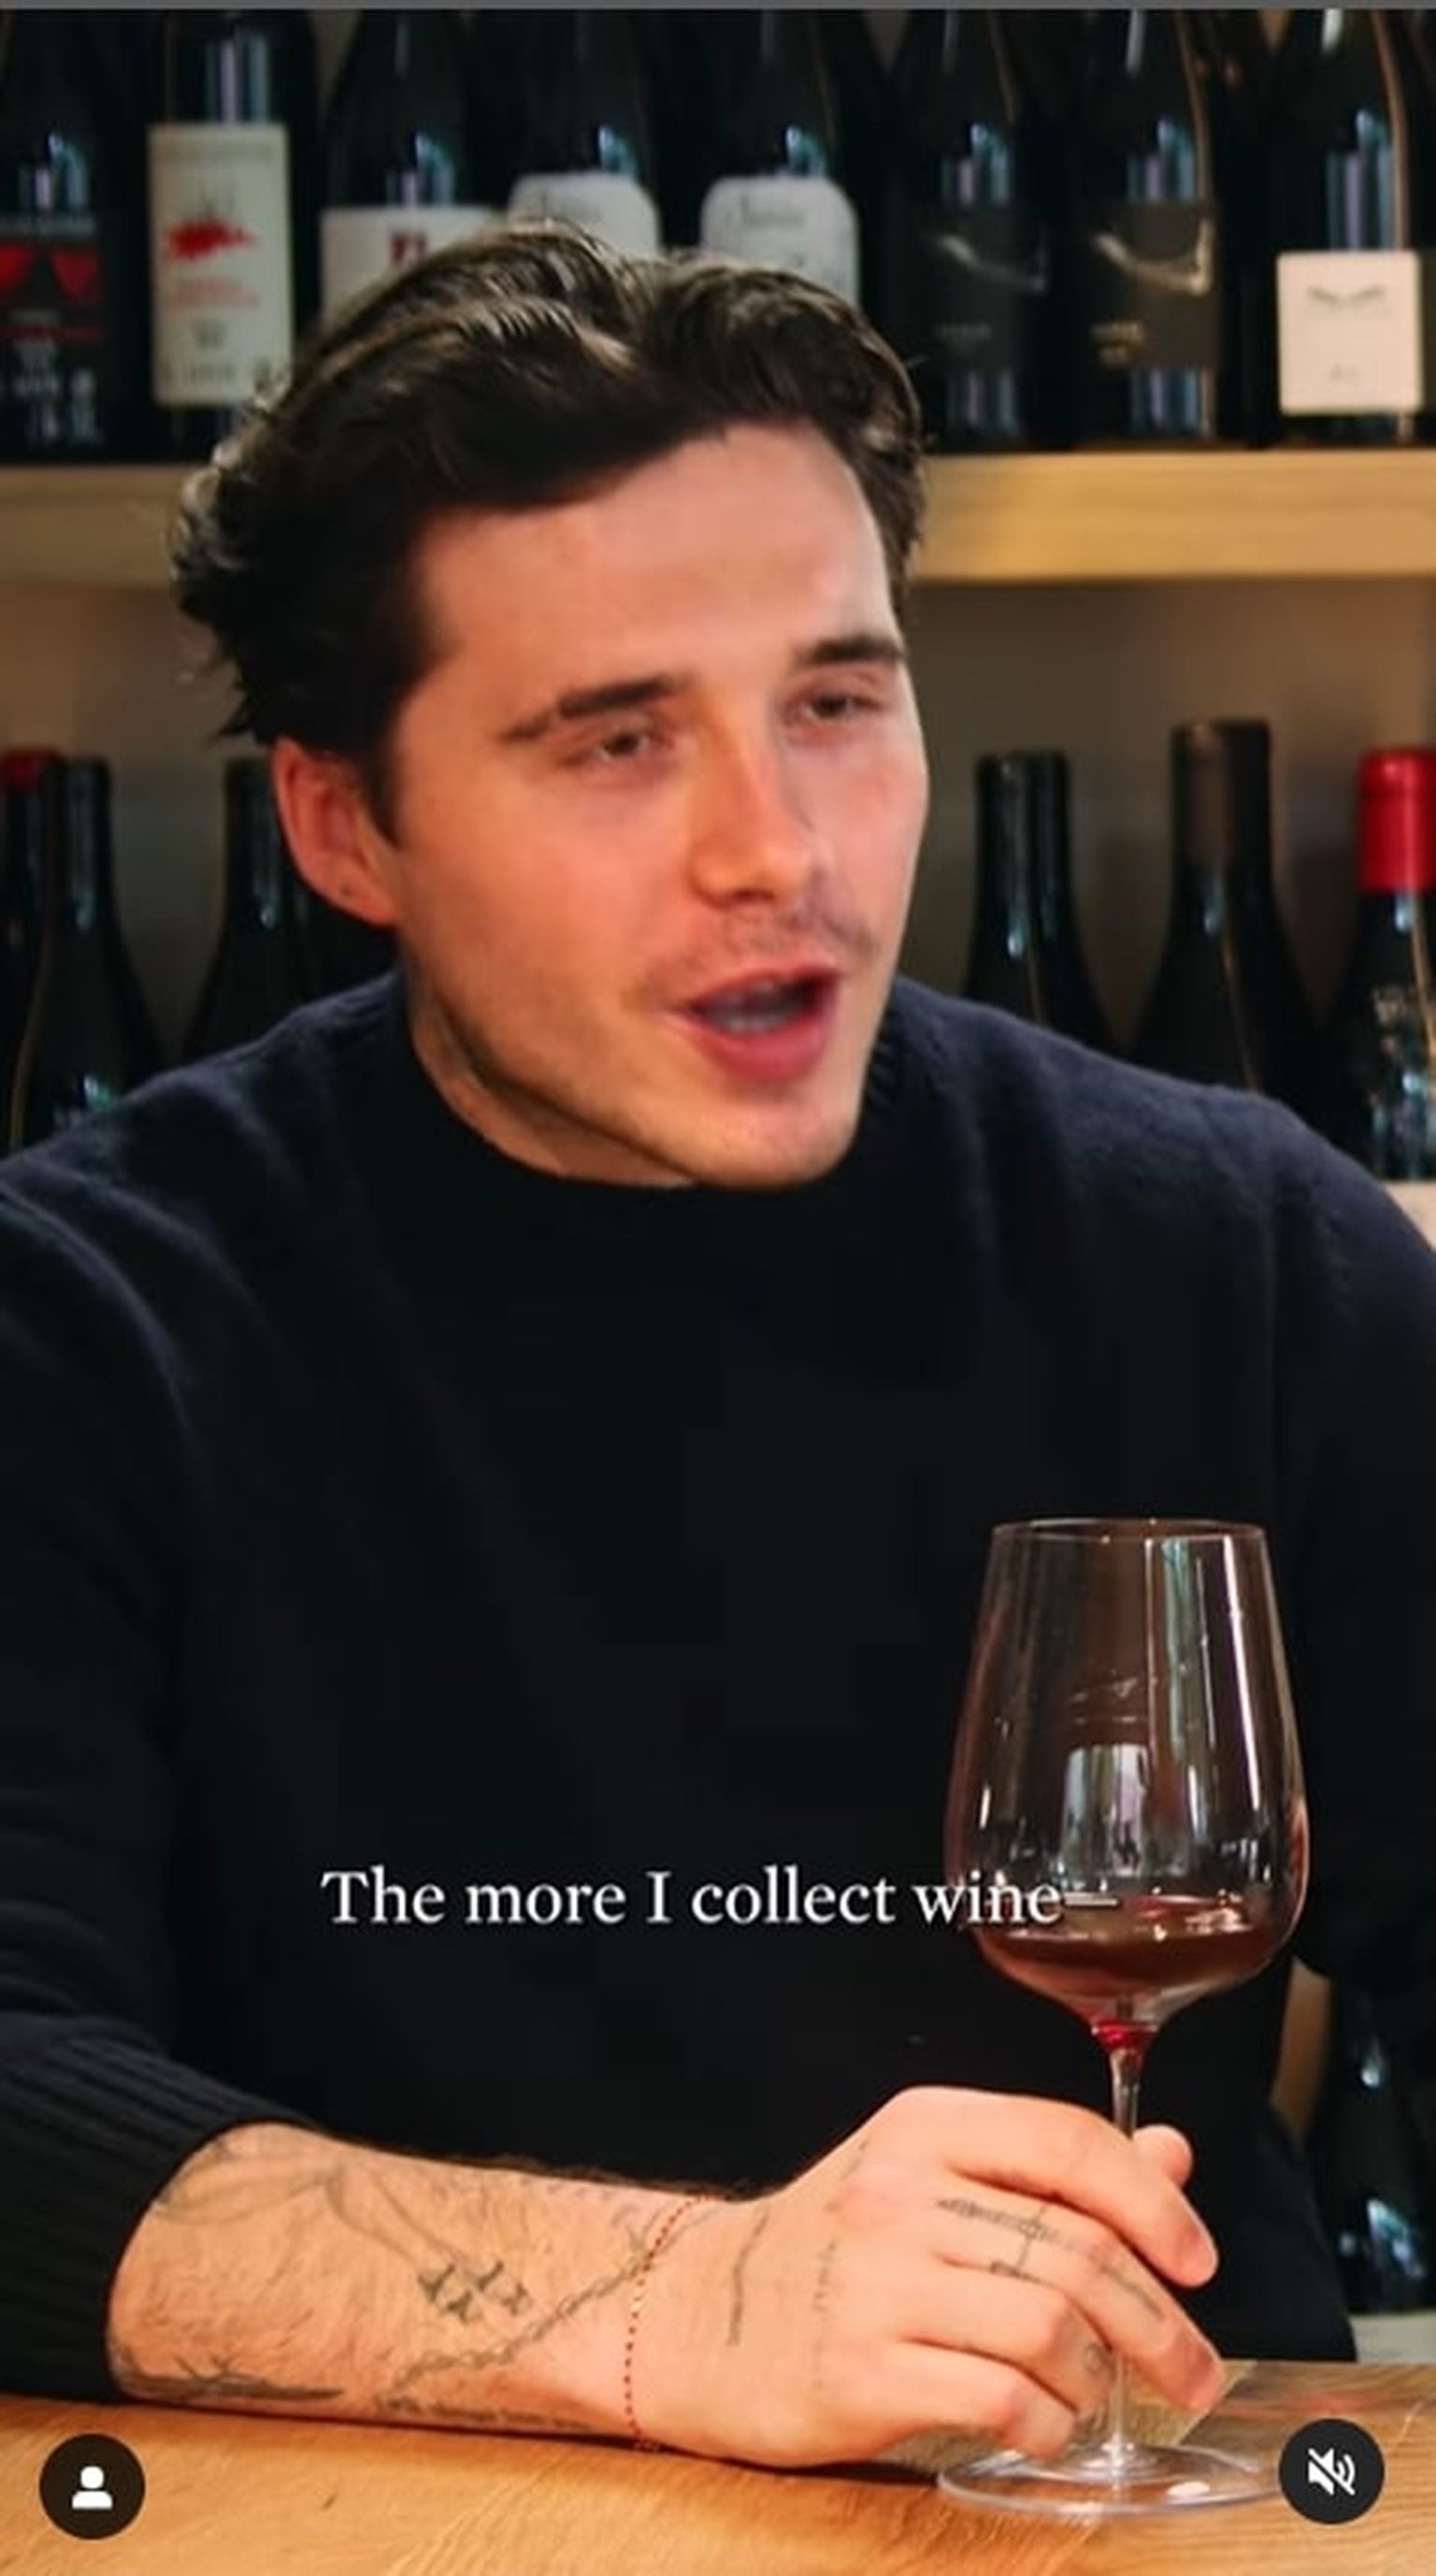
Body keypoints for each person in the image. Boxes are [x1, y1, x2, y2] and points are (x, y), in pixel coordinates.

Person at [1, 218, 1434, 2473]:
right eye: (615, 742)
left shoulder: (1240, 1253)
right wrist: (687, 2304)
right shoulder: (88, 1319)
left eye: (837, 703)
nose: (779, 850)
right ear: (343, 824)